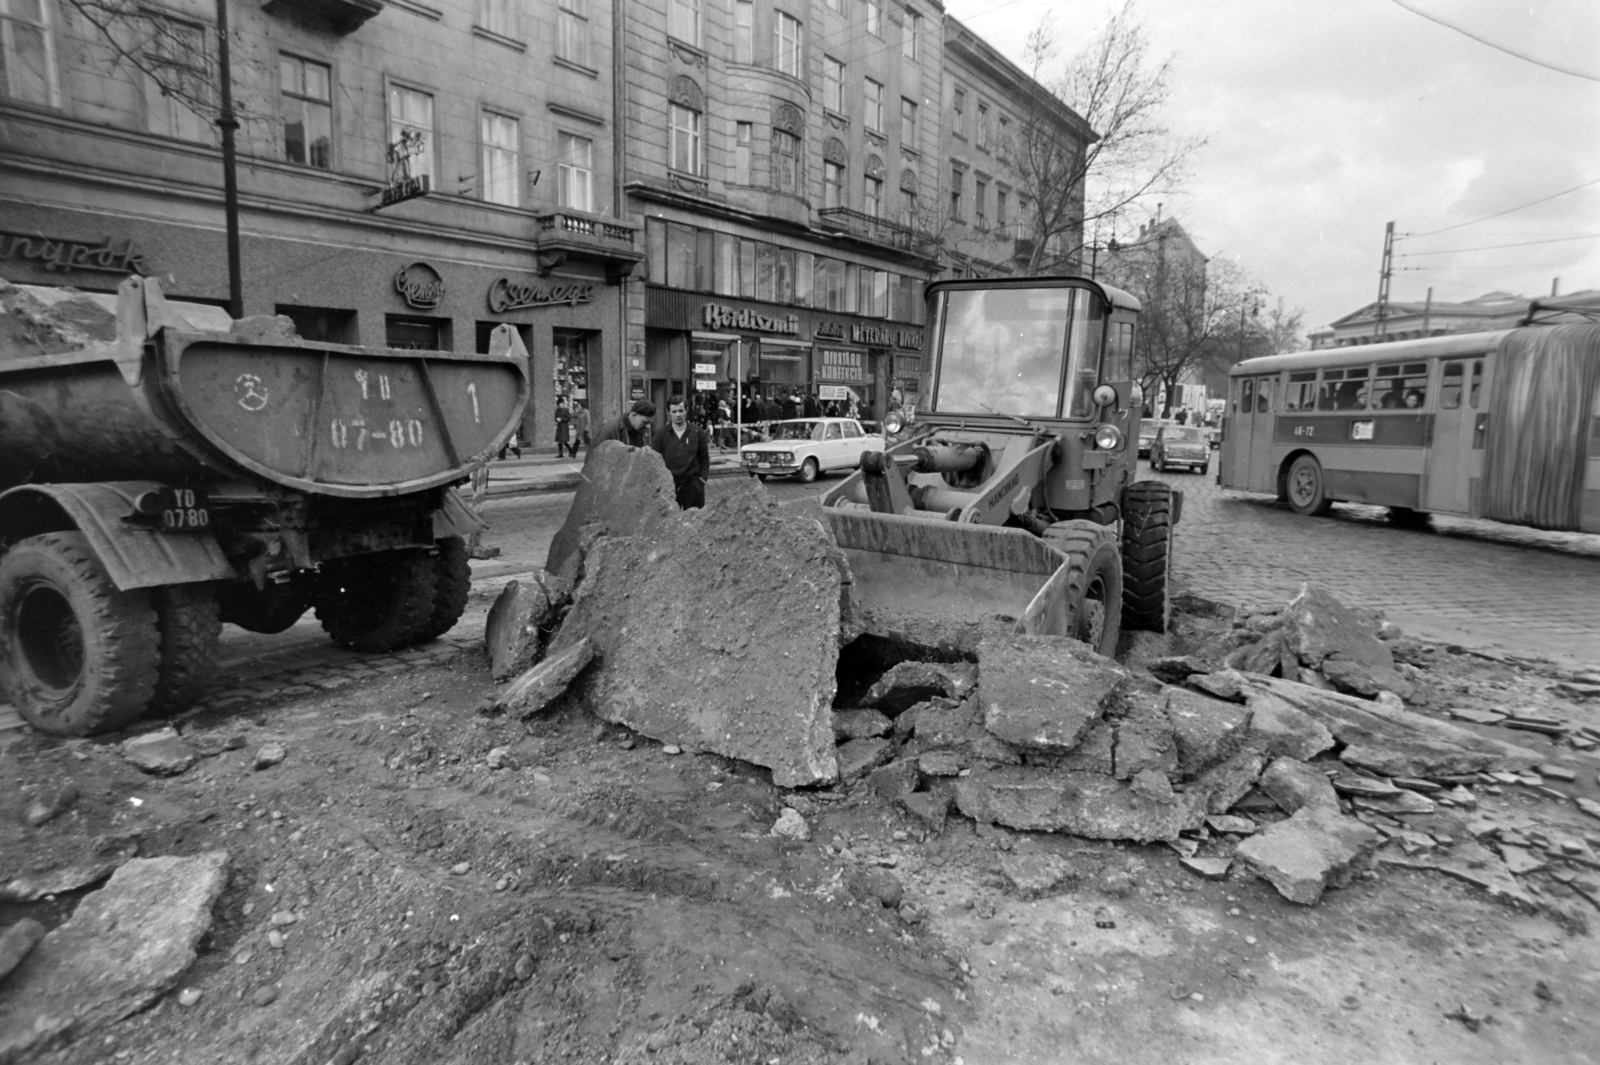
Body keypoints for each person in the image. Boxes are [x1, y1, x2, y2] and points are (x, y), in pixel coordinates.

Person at [653, 397, 710, 509]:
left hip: (693, 486)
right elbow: (655, 459)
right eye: (674, 412)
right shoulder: (661, 434)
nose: (678, 415)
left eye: (681, 411)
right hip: (670, 485)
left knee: (694, 521)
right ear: (668, 412)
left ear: (686, 410)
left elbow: (704, 458)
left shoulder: (697, 432)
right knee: (670, 520)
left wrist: (702, 479)